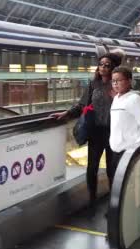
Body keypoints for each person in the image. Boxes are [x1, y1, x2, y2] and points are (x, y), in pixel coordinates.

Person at [51, 49, 124, 214]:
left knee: (112, 169)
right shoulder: (93, 84)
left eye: (107, 65)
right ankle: (92, 199)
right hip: (96, 132)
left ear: (113, 68)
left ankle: (114, 205)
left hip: (114, 132)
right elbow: (82, 104)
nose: (103, 68)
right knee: (92, 167)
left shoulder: (118, 85)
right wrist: (67, 114)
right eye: (101, 65)